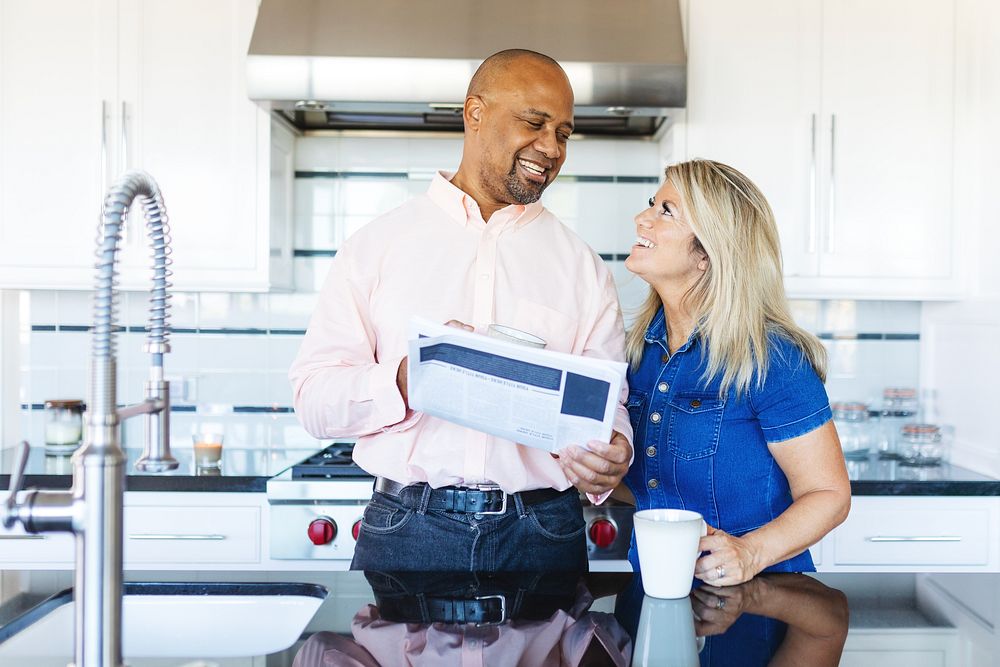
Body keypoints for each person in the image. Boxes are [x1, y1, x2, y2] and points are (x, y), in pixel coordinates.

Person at [289, 49, 633, 572]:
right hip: (406, 527)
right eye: (534, 123)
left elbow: (609, 408)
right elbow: (314, 402)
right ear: (474, 113)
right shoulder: (375, 247)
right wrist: (411, 377)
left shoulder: (583, 267)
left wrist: (613, 453)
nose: (550, 148)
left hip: (544, 532)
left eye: (562, 133)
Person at [619, 159, 851, 585]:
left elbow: (830, 495)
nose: (642, 219)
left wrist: (749, 553)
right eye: (652, 204)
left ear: (707, 252)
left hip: (760, 596)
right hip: (655, 588)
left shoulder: (772, 358)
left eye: (666, 210)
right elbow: (651, 482)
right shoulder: (635, 354)